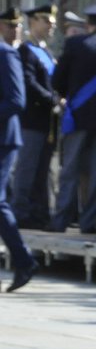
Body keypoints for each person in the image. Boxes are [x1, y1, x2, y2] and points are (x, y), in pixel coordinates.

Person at [50, 3, 96, 234]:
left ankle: (60, 220)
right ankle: (89, 222)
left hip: (77, 117)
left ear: (88, 23)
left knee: (69, 170)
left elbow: (57, 81)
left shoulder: (75, 44)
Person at [0, 30, 38, 292]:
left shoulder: (6, 53)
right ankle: (24, 261)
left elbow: (16, 100)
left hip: (4, 139)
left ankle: (24, 260)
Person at [13, 4, 57, 228]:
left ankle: (39, 213)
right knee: (27, 168)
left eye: (52, 22)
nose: (51, 25)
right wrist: (53, 99)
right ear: (33, 22)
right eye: (46, 21)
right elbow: (29, 84)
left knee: (43, 170)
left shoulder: (46, 51)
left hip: (47, 122)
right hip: (32, 119)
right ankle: (20, 212)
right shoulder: (26, 51)